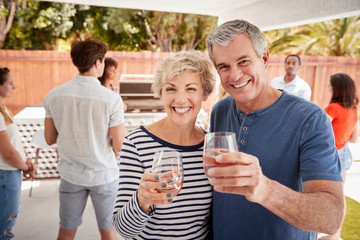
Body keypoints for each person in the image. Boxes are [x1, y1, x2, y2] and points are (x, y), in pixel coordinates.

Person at [206, 19, 344, 240]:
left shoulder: (310, 119)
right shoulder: (219, 111)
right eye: (224, 66)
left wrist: (265, 189)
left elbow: (331, 217)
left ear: (265, 58)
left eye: (243, 61)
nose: (234, 75)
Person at [112, 50, 215, 239]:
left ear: (204, 93)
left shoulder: (210, 147)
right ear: (160, 93)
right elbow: (123, 229)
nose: (181, 99)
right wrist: (141, 199)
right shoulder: (136, 143)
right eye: (170, 89)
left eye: (191, 88)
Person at [44, 38, 125, 240]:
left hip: (71, 175)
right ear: (98, 63)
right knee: (108, 231)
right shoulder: (112, 99)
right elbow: (120, 144)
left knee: (66, 232)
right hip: (104, 175)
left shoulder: (53, 96)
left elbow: (49, 138)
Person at [320, 73, 359, 240]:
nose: (329, 88)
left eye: (330, 85)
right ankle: (334, 236)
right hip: (345, 155)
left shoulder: (333, 108)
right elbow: (354, 138)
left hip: (331, 156)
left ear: (337, 88)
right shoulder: (354, 109)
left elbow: (318, 131)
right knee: (339, 198)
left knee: (321, 196)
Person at [0, 66, 35, 239]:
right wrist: (25, 167)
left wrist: (27, 160)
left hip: (12, 171)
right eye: (10, 83)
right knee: (5, 224)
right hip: (6, 173)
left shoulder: (4, 110)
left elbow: (16, 142)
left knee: (8, 221)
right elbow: (7, 152)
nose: (14, 87)